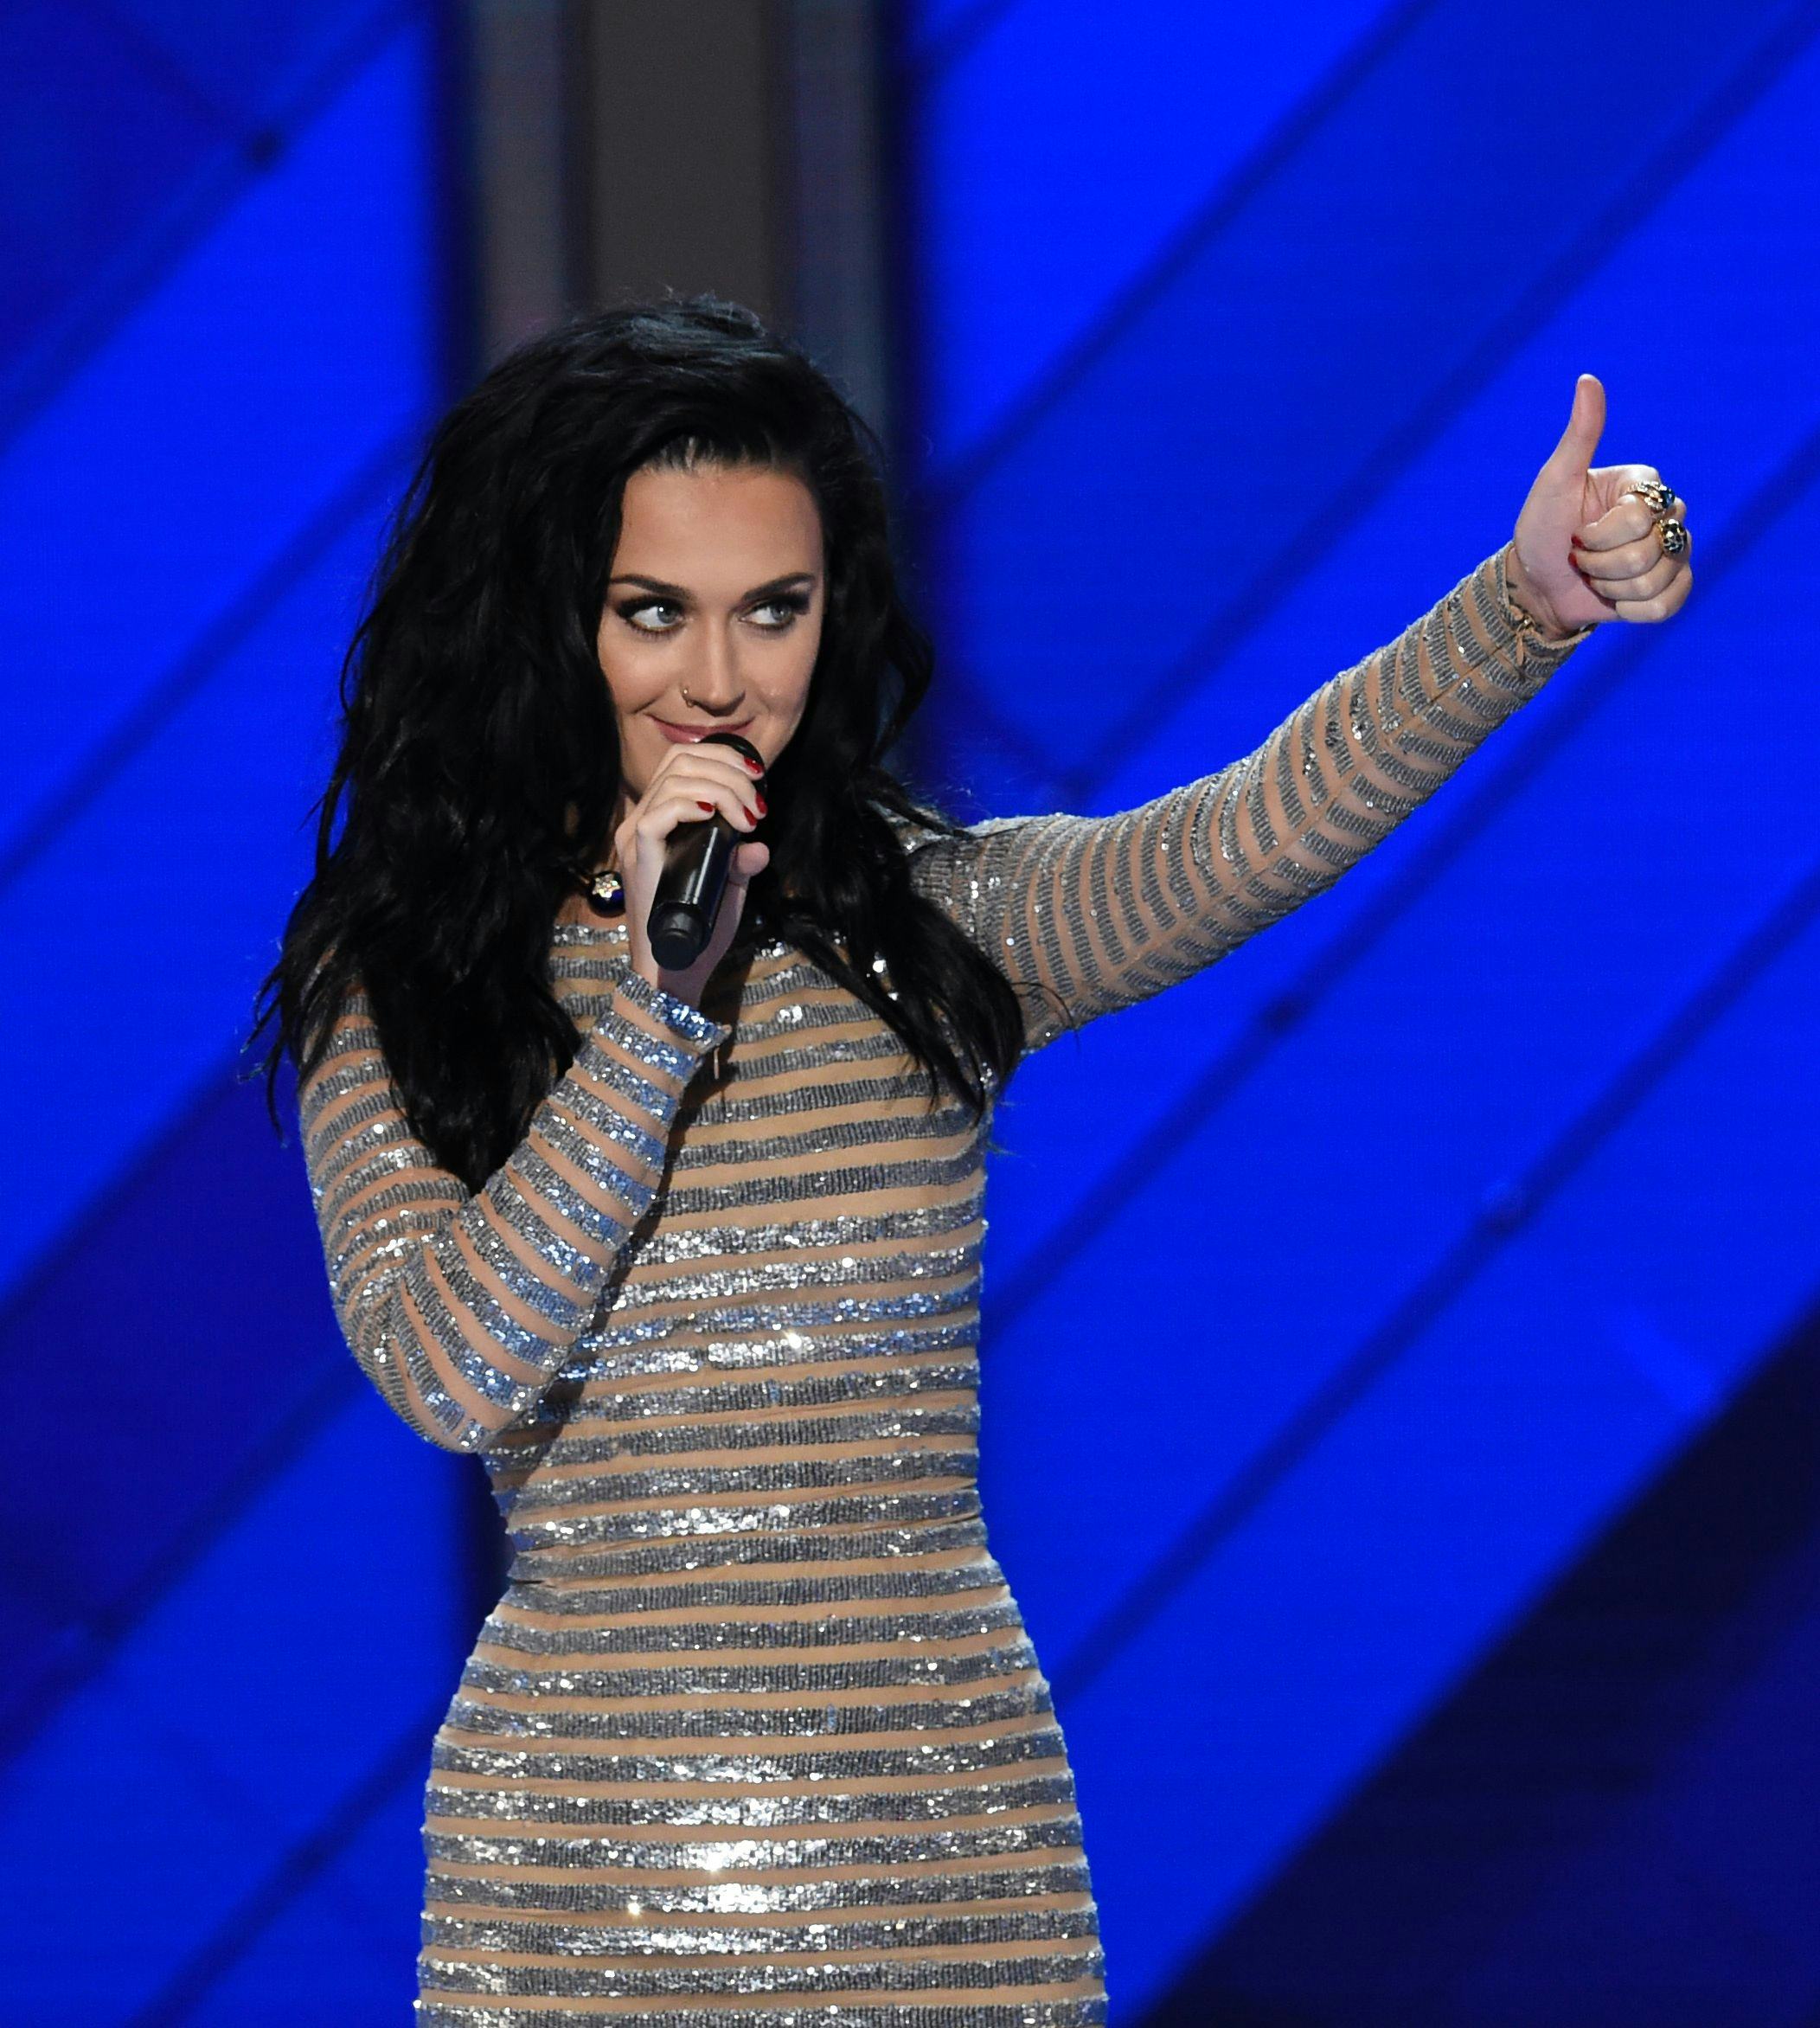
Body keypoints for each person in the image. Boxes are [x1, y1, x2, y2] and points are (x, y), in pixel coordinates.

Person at [251, 294, 1691, 2025]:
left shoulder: (934, 928)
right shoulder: (401, 981)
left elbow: (1242, 831)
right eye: (652, 612)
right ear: (542, 620)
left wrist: (1518, 608)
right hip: (577, 1898)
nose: (719, 680)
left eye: (773, 610)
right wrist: (657, 1012)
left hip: (948, 1878)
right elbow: (452, 1368)